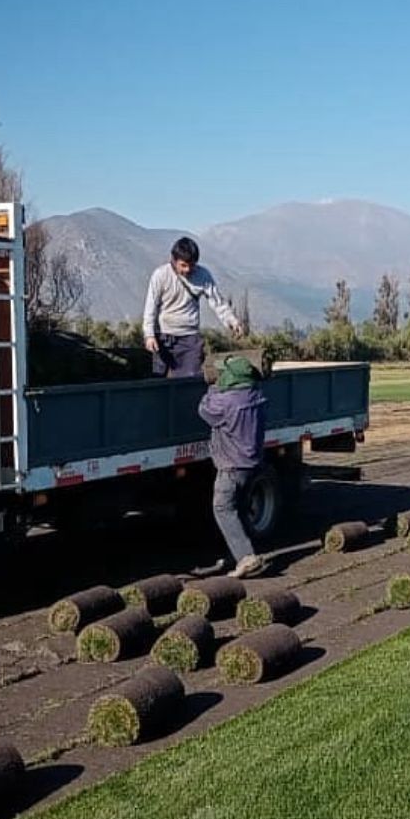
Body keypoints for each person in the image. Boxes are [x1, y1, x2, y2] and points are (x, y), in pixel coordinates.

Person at [197, 353, 268, 579]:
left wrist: (214, 388)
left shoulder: (227, 402)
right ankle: (236, 553)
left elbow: (203, 410)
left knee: (223, 508)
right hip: (252, 463)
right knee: (239, 508)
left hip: (231, 466)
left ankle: (247, 558)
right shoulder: (256, 396)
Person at [143, 236, 244, 377]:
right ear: (173, 260)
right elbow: (151, 307)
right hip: (163, 338)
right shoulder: (160, 275)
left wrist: (232, 321)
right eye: (183, 265)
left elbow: (217, 302)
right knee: (157, 383)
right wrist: (149, 335)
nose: (188, 269)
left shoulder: (203, 275)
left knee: (191, 381)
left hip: (189, 338)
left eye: (192, 265)